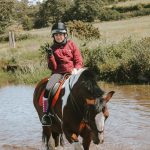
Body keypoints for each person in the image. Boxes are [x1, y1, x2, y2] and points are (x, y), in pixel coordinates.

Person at [41, 22, 84, 126]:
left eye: (60, 34)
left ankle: (91, 110)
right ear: (53, 36)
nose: (58, 37)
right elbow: (53, 67)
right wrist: (50, 56)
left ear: (65, 35)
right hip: (58, 73)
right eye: (56, 35)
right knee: (47, 90)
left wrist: (76, 69)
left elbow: (78, 60)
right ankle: (46, 114)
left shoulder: (72, 44)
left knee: (88, 85)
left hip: (73, 72)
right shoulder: (52, 49)